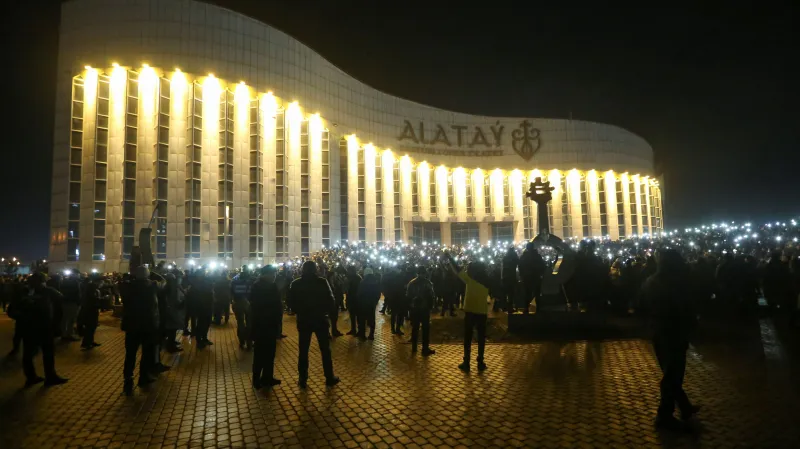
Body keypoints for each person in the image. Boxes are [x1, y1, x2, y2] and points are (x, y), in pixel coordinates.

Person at [641, 249, 700, 430]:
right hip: (674, 331)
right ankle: (664, 415)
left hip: (659, 331)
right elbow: (687, 307)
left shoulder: (651, 281)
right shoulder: (677, 283)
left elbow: (640, 304)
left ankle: (685, 406)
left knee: (672, 371)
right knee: (673, 374)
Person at [288, 261, 340, 388]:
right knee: (325, 350)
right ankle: (329, 376)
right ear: (315, 269)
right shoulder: (322, 282)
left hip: (304, 320)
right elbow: (331, 299)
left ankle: (303, 378)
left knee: (303, 350)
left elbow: (289, 302)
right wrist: (325, 311)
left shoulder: (296, 283)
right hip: (320, 319)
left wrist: (298, 310)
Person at [16, 272, 69, 387]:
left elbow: (61, 302)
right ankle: (39, 377)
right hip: (37, 328)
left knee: (40, 353)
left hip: (40, 327)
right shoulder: (29, 292)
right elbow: (13, 310)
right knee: (36, 354)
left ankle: (43, 377)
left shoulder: (47, 291)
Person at [119, 266, 164, 395]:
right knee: (147, 353)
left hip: (132, 325)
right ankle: (143, 377)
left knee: (130, 354)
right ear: (147, 275)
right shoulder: (153, 285)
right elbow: (164, 282)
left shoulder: (127, 286)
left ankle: (128, 378)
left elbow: (121, 286)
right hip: (148, 325)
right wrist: (155, 274)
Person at [447, 254, 490, 372]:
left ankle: (466, 362)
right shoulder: (487, 281)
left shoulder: (469, 280)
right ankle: (480, 361)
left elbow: (457, 269)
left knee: (468, 338)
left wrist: (450, 257)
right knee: (481, 338)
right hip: (482, 312)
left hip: (470, 311)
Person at [249, 265, 283, 388]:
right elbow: (274, 306)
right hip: (264, 324)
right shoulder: (263, 287)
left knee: (268, 353)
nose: (274, 276)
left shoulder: (260, 286)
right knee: (261, 353)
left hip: (266, 324)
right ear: (265, 275)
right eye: (272, 274)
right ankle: (258, 379)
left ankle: (266, 377)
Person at [405, 266, 436, 356]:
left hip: (414, 309)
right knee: (425, 329)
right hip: (424, 309)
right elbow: (432, 296)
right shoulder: (428, 283)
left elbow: (408, 296)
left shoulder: (411, 283)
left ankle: (414, 347)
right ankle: (425, 348)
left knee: (415, 328)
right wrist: (431, 306)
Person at [79, 273, 103, 350]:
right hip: (90, 310)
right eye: (101, 282)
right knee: (90, 327)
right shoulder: (91, 287)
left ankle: (90, 341)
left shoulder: (92, 287)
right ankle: (86, 343)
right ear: (97, 281)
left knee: (92, 327)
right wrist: (102, 299)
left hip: (92, 309)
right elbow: (92, 299)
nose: (102, 284)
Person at [231, 266, 253, 349]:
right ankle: (249, 342)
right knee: (249, 323)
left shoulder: (234, 279)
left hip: (238, 302)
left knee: (240, 323)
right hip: (249, 303)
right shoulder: (252, 279)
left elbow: (232, 291)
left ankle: (242, 341)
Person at [357, 268, 381, 340]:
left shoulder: (363, 282)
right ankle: (371, 334)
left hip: (363, 303)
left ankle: (362, 335)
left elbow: (359, 293)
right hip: (371, 303)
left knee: (362, 319)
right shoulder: (375, 281)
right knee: (372, 319)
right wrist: (375, 301)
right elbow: (378, 293)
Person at [345, 266, 362, 336]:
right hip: (351, 299)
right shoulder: (351, 278)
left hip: (356, 299)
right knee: (352, 316)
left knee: (358, 316)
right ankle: (353, 329)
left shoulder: (357, 278)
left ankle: (359, 330)